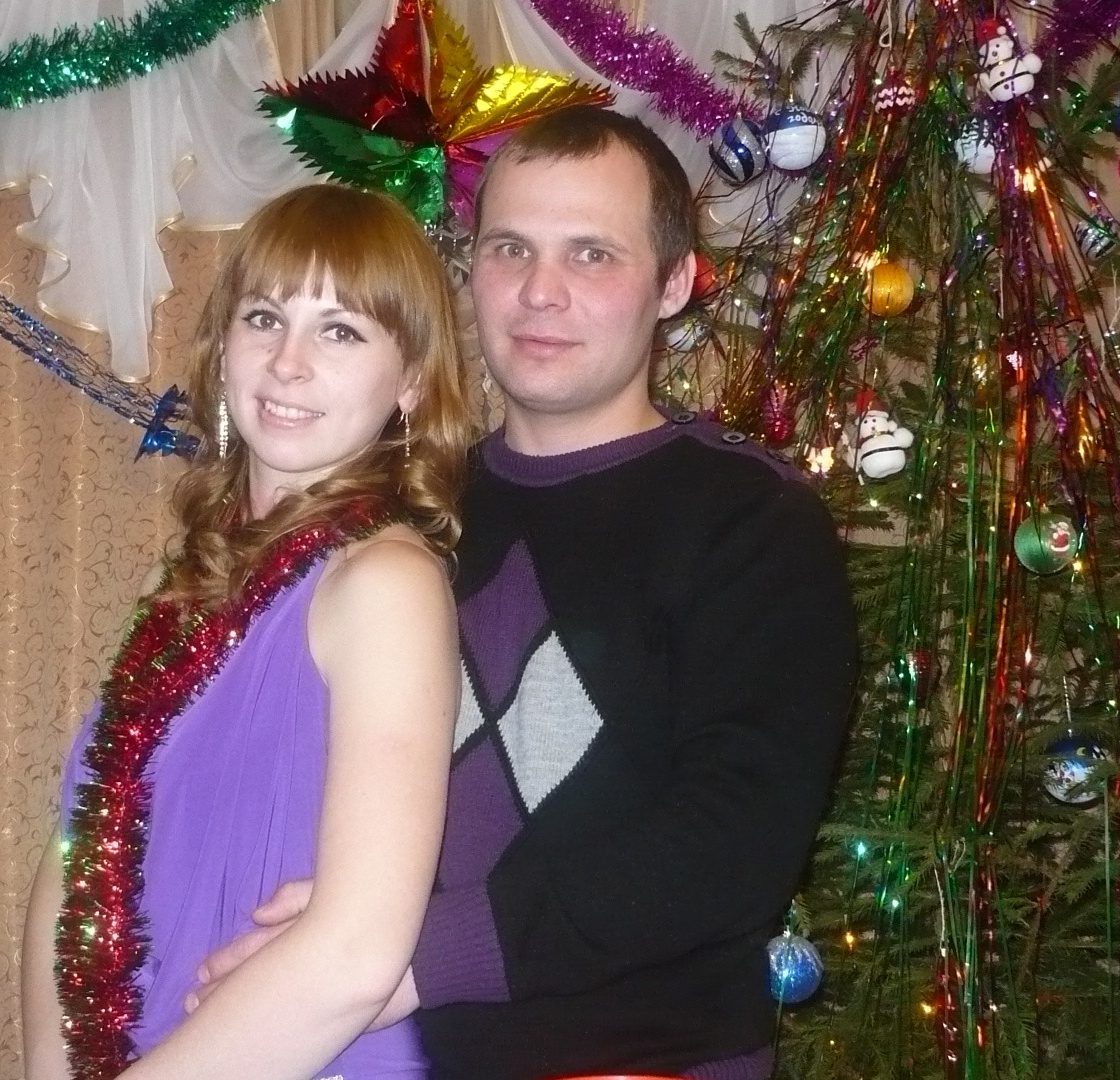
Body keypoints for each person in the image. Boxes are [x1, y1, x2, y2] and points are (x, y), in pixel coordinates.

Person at [195, 107, 859, 1080]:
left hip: (641, 1061)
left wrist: (427, 956)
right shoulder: (402, 511)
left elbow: (731, 846)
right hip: (376, 1055)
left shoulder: (753, 520)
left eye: (592, 254)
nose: (541, 291)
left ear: (675, 283)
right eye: (510, 249)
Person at [21, 183, 476, 1080]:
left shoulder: (385, 585)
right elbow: (74, 852)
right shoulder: (176, 583)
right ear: (223, 347)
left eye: (340, 331)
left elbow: (357, 955)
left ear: (412, 382)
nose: (288, 363)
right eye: (265, 318)